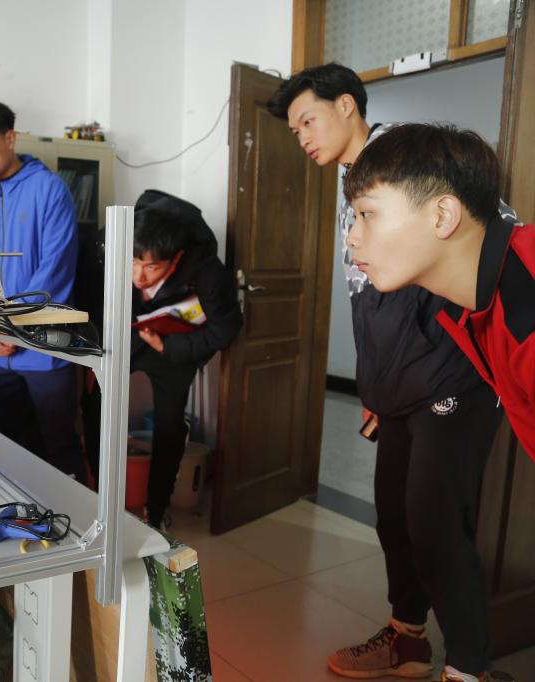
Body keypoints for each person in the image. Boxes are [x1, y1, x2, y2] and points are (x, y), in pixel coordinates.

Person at [268, 64, 507, 682]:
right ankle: (408, 641)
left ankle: (468, 669)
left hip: (452, 380)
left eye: (308, 120)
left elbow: (490, 239)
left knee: (436, 526)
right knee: (396, 519)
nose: (303, 137)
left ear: (347, 105)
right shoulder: (354, 182)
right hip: (400, 387)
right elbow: (373, 306)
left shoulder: (408, 160)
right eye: (295, 130)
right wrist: (376, 387)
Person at [344, 123, 534, 462]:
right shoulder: (472, 304)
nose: (352, 237)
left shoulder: (524, 310)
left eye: (367, 214)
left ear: (443, 215)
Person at [87, 191, 242, 528]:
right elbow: (94, 301)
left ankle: (155, 511)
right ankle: (99, 495)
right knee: (97, 404)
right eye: (133, 262)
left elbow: (225, 331)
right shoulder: (110, 244)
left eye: (152, 266)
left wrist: (168, 347)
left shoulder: (208, 272)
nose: (139, 276)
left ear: (176, 258)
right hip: (124, 338)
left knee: (169, 426)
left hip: (174, 346)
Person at [0, 100, 86, 481]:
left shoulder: (50, 190)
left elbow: (55, 270)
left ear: (10, 139)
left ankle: (76, 515)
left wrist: (9, 327)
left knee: (59, 446)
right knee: (1, 447)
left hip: (45, 349)